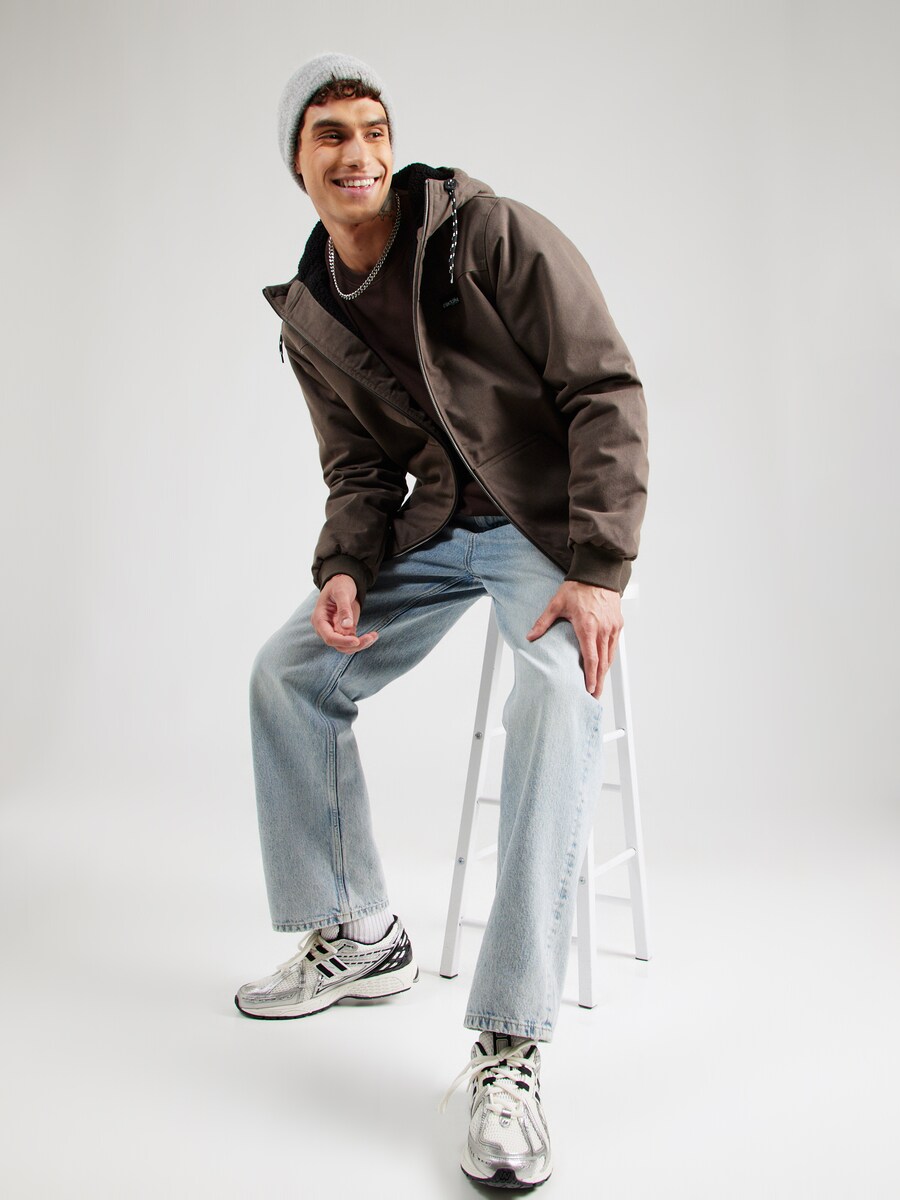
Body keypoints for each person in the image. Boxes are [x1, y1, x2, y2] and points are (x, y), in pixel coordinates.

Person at [236, 52, 649, 1189]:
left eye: (373, 129)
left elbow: (605, 389)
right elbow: (359, 467)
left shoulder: (488, 235)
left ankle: (509, 1047)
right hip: (432, 533)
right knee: (286, 672)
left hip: (541, 532)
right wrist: (345, 567)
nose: (358, 151)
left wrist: (601, 566)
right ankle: (358, 931)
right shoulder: (312, 314)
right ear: (297, 163)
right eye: (330, 134)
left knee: (556, 695)